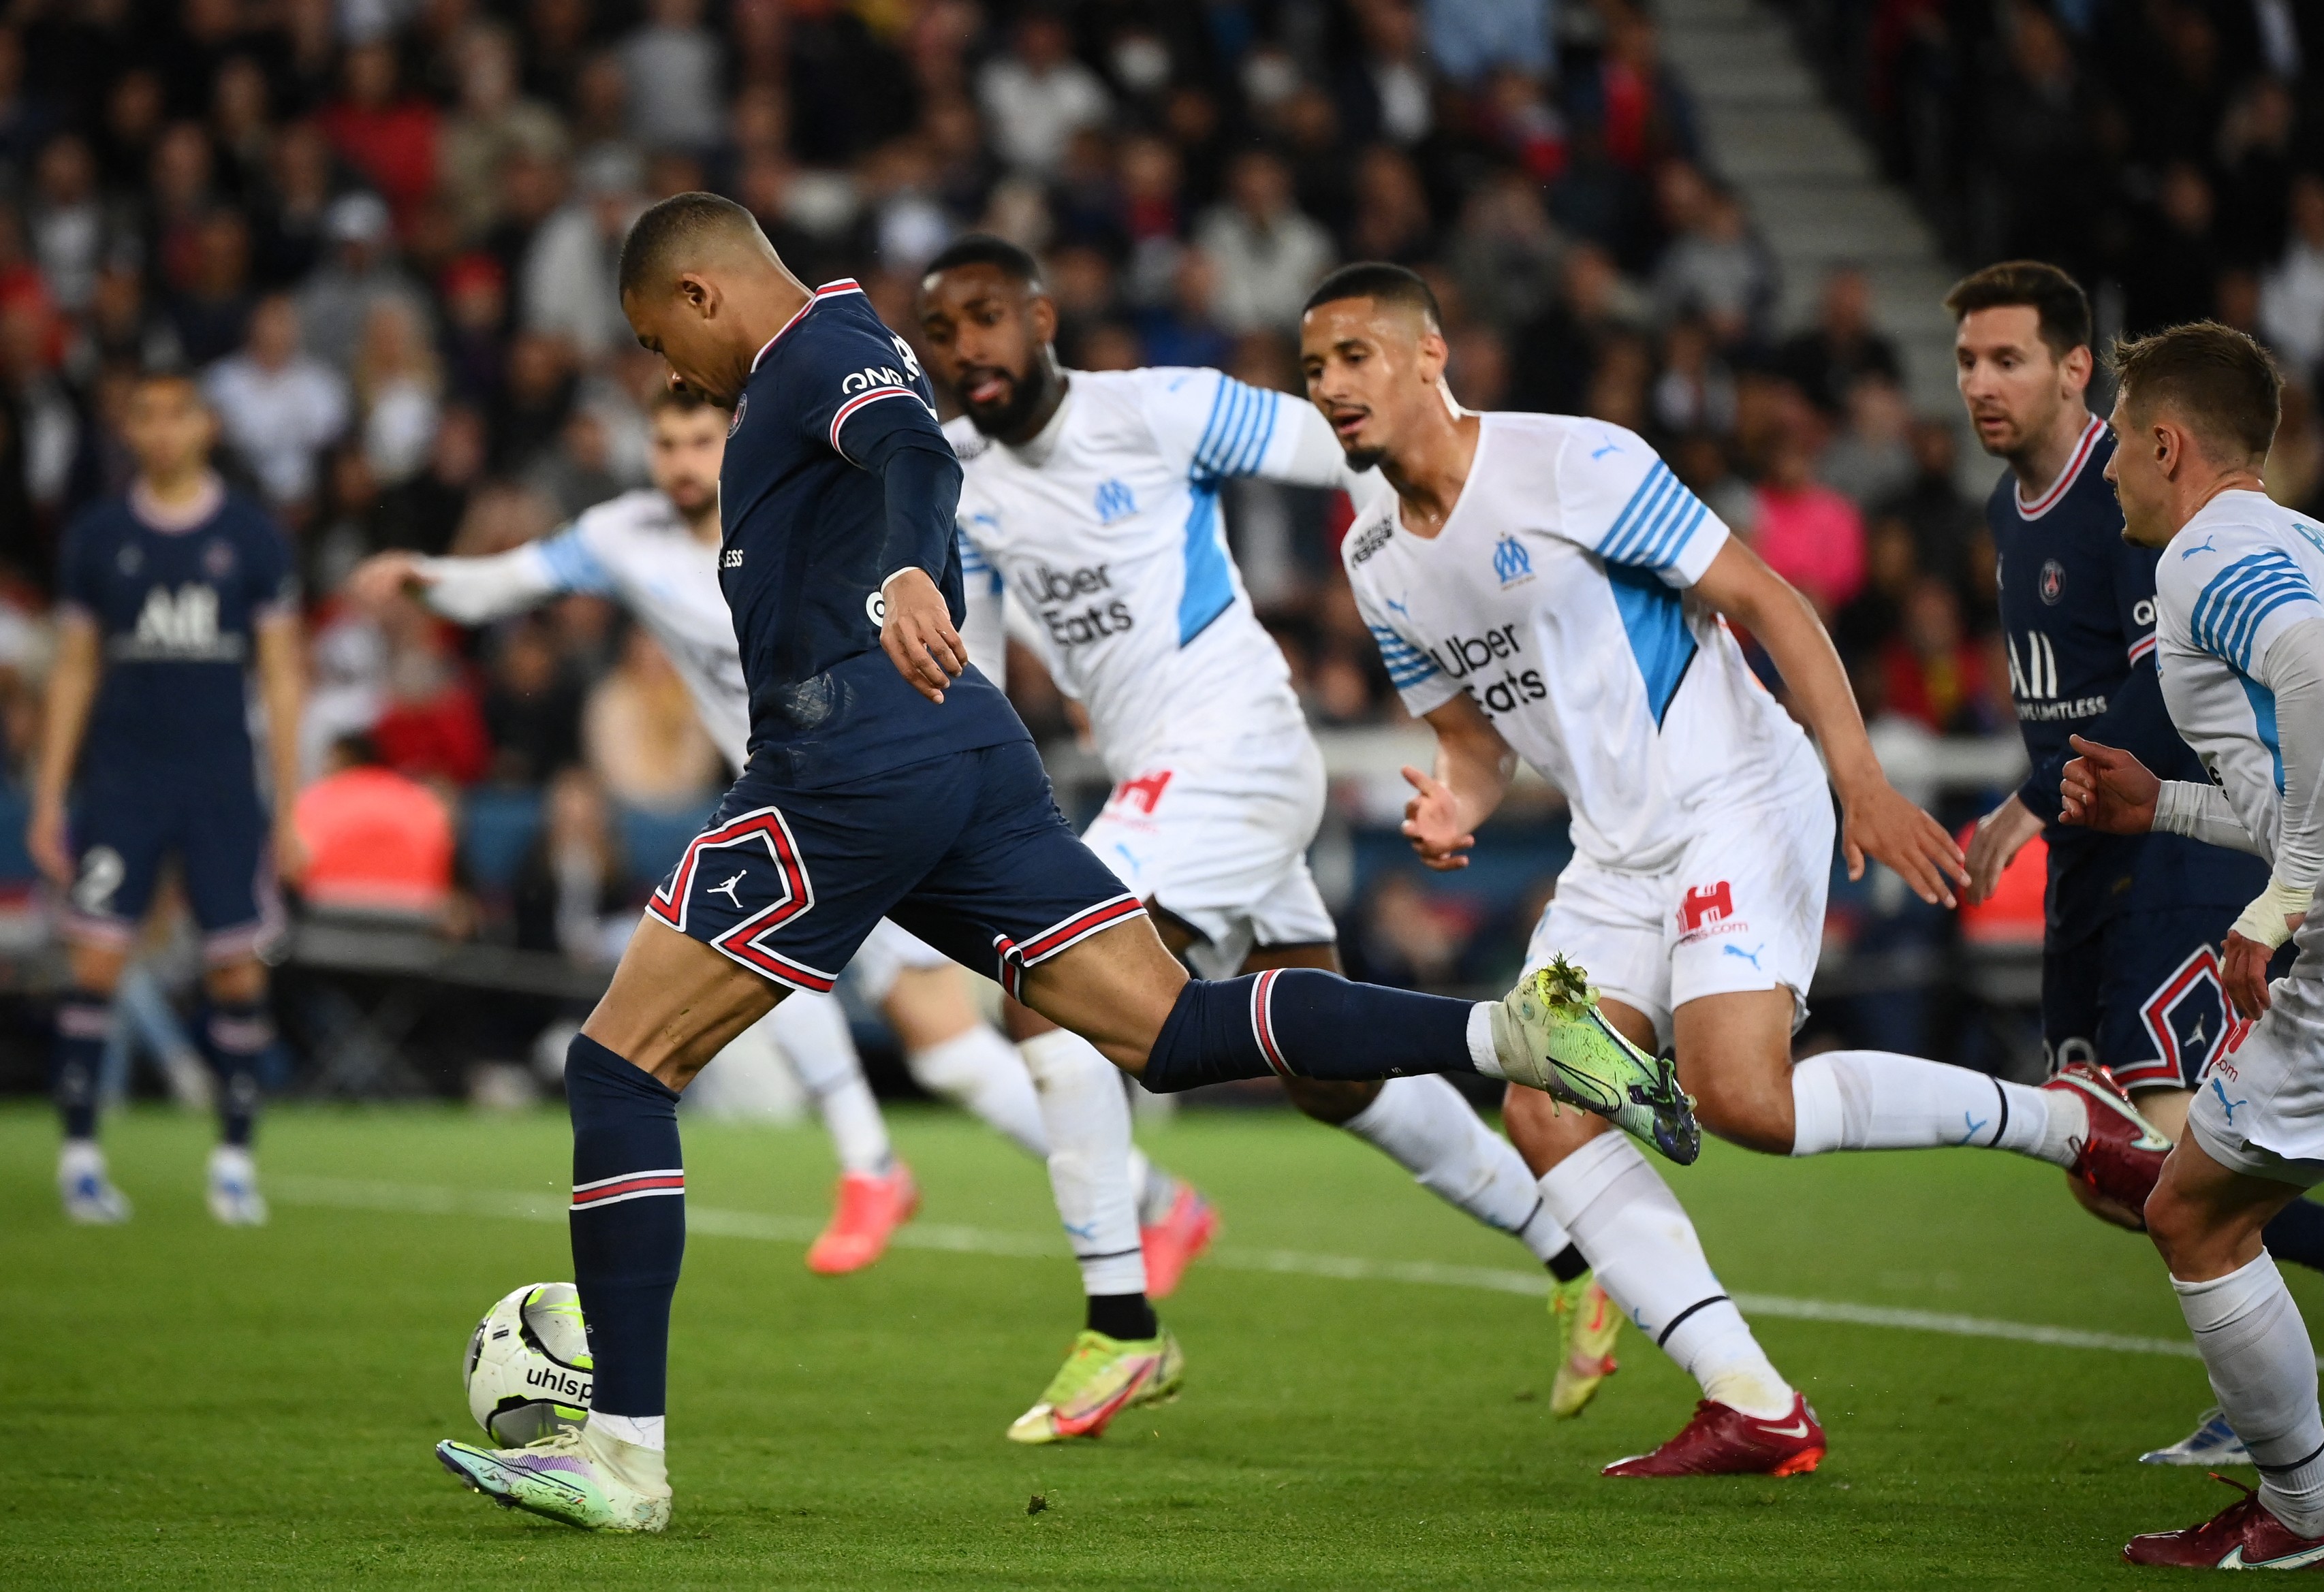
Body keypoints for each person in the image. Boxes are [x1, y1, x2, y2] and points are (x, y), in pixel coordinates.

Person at [428, 194, 1671, 1535]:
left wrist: (910, 572)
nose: (668, 370)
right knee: (1167, 1028)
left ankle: (621, 1451)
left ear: (699, 296)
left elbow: (914, 454)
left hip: (844, 766)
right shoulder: (820, 361)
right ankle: (1510, 1031)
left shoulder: (815, 350)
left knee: (618, 1063)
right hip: (961, 760)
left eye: (655, 334)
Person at [1308, 261, 2178, 1478]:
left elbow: (1765, 600)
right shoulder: (1373, 559)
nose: (1332, 387)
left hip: (1735, 788)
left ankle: (2056, 1117)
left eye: (1354, 357)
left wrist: (1860, 778)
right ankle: (1747, 1397)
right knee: (1544, 1104)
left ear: (1427, 356)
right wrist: (1455, 801)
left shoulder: (1572, 461)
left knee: (1743, 1099)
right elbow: (1474, 739)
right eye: (1313, 371)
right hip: (1611, 847)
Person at [913, 233, 1619, 1434]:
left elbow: (1351, 450)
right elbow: (967, 659)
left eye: (985, 317)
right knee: (1331, 1075)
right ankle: (1583, 1256)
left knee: (1048, 989)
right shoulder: (964, 485)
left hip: (1232, 744)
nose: (965, 348)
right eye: (940, 331)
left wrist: (1410, 599)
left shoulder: (1157, 410)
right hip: (1174, 775)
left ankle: (1121, 1327)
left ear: (1041, 317)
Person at [350, 389, 1214, 1288]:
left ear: (732, 441)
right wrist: (424, 574)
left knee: (751, 928)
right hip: (804, 803)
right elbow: (514, 578)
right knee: (951, 1053)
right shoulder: (622, 536)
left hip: (870, 791)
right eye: (665, 442)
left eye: (699, 439)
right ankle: (1152, 1198)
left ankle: (872, 1163)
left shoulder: (800, 515)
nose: (682, 460)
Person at [1945, 261, 2324, 1465]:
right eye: (1967, 360)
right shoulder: (2321, 547)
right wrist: (2133, 809)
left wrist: (2279, 892)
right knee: (2122, 1173)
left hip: (2239, 897)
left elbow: (2290, 689)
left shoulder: (2181, 539)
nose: (1980, 384)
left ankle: (2288, 1466)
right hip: (2145, 853)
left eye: (2008, 358)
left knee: (2175, 1174)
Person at [2060, 320, 2324, 1570]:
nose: (2107, 475)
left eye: (2120, 449)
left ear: (2165, 441)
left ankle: (2305, 1515)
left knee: (2189, 1213)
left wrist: (2280, 897)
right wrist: (2168, 805)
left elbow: (2318, 685)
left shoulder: (2209, 549)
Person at [29, 368, 305, 1225]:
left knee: (233, 968)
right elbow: (74, 668)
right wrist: (47, 796)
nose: (159, 430)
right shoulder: (99, 537)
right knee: (96, 962)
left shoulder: (251, 538)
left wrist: (290, 806)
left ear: (204, 426)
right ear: (130, 430)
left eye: (174, 414)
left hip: (221, 783)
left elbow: (283, 678)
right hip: (123, 781)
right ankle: (79, 1159)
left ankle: (233, 1161)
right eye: (142, 415)